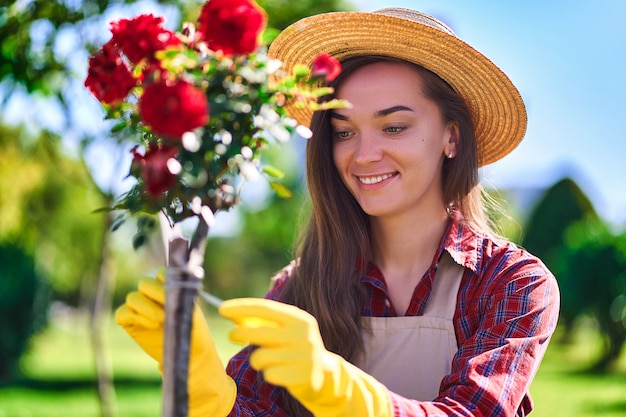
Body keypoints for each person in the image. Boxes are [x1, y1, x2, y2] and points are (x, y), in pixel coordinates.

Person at [116, 7, 560, 417]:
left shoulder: (513, 284)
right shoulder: (301, 284)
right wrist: (207, 386)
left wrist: (348, 394)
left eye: (394, 127)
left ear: (453, 138)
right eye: (344, 132)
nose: (363, 155)